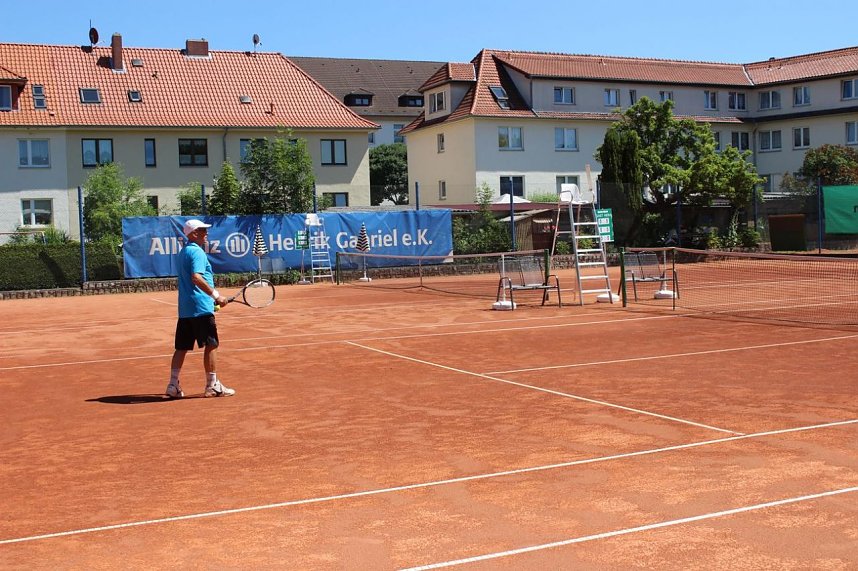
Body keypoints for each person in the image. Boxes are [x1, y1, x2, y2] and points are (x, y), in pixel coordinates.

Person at [165, 219, 235, 398]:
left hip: (186, 308)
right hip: (201, 307)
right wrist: (216, 296)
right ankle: (212, 385)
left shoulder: (183, 252)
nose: (207, 234)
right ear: (194, 233)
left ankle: (173, 385)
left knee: (181, 347)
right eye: (203, 231)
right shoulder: (197, 252)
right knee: (212, 344)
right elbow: (196, 277)